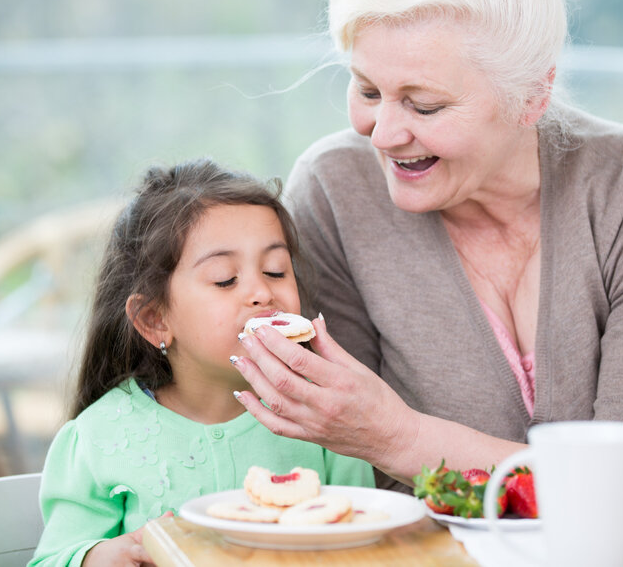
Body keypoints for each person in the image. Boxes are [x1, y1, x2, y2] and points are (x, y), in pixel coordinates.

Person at [230, 0, 623, 492]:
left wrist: (401, 438)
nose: (384, 133)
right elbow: (343, 475)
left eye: (424, 106)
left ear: (531, 96)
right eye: (368, 90)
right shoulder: (334, 191)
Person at [30, 159, 373, 566]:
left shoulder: (327, 420)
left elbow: (364, 543)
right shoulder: (96, 438)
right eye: (225, 279)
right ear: (155, 319)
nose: (262, 292)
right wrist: (99, 557)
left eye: (276, 270)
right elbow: (51, 559)